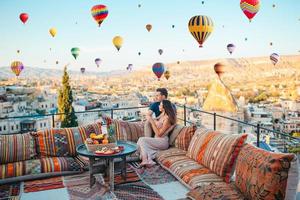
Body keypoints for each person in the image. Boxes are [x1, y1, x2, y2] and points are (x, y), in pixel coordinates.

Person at [137, 100, 177, 167]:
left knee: (141, 140)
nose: (159, 106)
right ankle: (149, 160)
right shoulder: (162, 114)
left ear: (164, 107)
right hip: (157, 140)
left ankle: (145, 160)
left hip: (162, 141)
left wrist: (152, 122)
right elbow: (154, 118)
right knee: (140, 145)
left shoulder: (167, 119)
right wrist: (156, 121)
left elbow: (159, 134)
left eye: (160, 105)